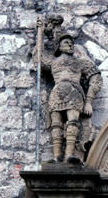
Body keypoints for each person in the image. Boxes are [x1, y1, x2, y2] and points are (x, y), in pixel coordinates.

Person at [42, 32, 102, 163]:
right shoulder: (52, 62)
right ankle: (56, 156)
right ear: (58, 46)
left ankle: (69, 154)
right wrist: (40, 32)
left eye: (71, 43)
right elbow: (39, 59)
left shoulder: (79, 62)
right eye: (66, 42)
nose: (70, 44)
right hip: (56, 93)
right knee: (56, 124)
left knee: (73, 122)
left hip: (74, 92)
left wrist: (89, 101)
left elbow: (96, 77)